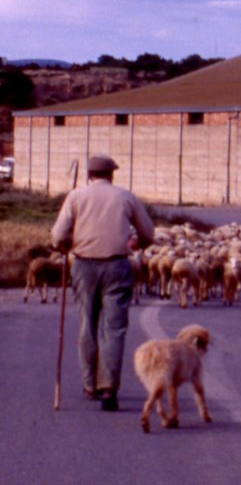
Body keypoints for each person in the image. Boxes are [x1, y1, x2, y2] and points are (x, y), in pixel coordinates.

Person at [51, 154, 155, 412]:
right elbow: (148, 233)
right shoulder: (125, 196)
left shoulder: (76, 196)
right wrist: (136, 243)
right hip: (117, 265)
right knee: (114, 328)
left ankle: (89, 385)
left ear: (89, 174)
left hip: (84, 265)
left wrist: (64, 244)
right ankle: (109, 387)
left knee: (87, 323)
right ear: (111, 175)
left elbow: (57, 235)